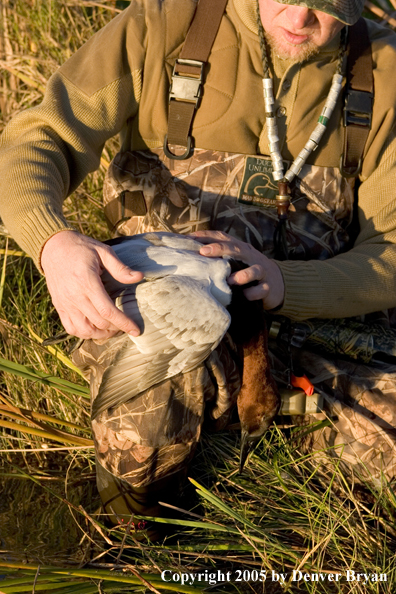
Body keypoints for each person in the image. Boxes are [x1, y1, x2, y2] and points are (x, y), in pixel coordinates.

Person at [1, 0, 396, 534]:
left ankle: (258, 475)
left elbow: (391, 250)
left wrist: (285, 282)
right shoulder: (162, 26)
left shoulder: (385, 68)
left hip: (313, 334)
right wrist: (52, 244)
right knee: (145, 435)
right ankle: (145, 544)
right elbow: (37, 137)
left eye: (323, 5)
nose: (299, 19)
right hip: (163, 326)